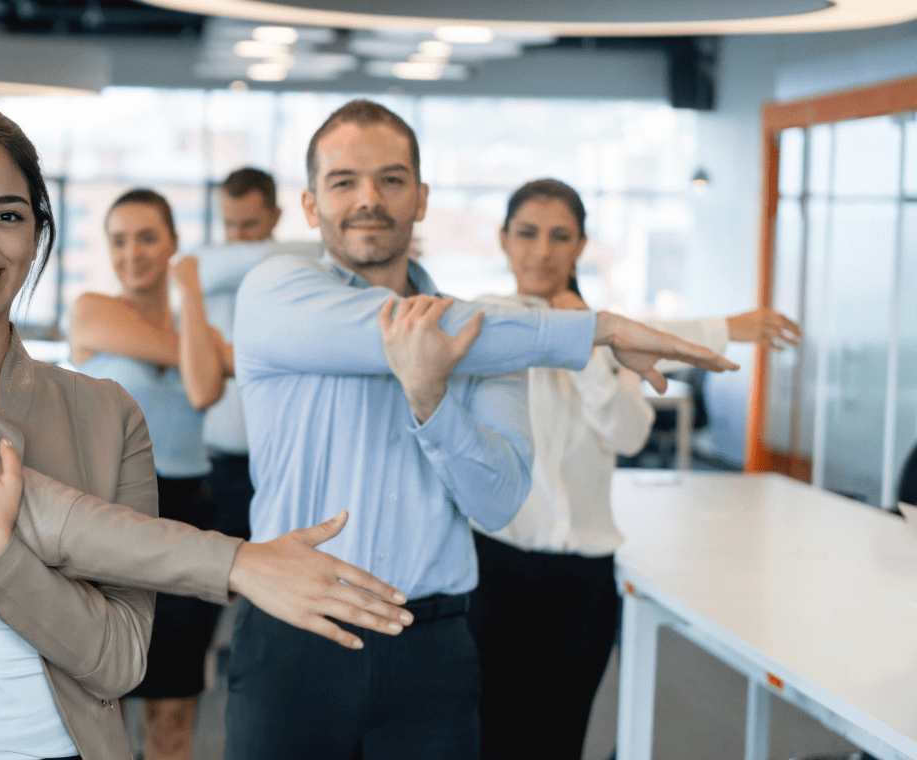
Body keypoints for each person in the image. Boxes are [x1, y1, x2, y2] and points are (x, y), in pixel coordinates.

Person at [0, 109, 416, 760]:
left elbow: (117, 661)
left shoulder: (107, 412)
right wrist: (235, 563)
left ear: (37, 236)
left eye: (8, 215)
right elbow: (45, 511)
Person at [226, 99, 740, 759]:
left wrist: (433, 403)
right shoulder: (277, 292)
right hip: (296, 634)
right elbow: (395, 327)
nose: (368, 199)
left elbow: (496, 501)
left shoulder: (490, 341)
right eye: (343, 181)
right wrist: (600, 330)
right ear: (309, 205)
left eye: (391, 179)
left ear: (421, 197)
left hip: (431, 649)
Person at [468, 178, 801, 760]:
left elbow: (626, 432)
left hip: (584, 578)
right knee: (491, 735)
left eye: (559, 236)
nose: (541, 251)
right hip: (495, 569)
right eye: (526, 233)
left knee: (561, 737)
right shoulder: (487, 320)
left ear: (581, 244)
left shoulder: (614, 338)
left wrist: (593, 350)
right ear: (502, 239)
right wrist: (719, 327)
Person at [67, 189, 232, 760]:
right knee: (99, 718)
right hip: (109, 521)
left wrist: (189, 292)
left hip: (189, 517)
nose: (131, 253)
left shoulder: (198, 335)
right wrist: (196, 325)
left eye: (146, 237)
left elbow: (203, 389)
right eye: (118, 240)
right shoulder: (92, 311)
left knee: (174, 714)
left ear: (173, 245)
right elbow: (204, 377)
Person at [195, 168, 320, 541]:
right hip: (216, 463)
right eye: (228, 224)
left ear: (276, 216)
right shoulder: (204, 271)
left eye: (248, 224)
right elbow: (242, 258)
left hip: (286, 462)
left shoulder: (300, 276)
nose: (236, 237)